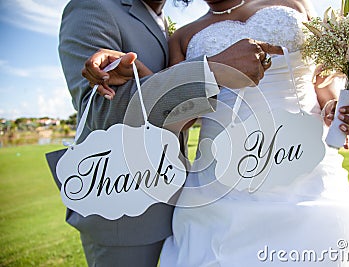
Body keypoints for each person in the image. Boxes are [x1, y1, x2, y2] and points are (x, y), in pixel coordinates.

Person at [154, 0, 349, 266]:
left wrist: (333, 106)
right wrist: (214, 70)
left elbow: (320, 79)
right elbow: (180, 118)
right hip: (223, 181)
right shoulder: (182, 36)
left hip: (303, 161)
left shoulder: (293, 4)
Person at [58, 0, 280, 266]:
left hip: (187, 202)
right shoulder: (93, 8)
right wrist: (213, 69)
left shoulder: (163, 23)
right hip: (125, 217)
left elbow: (173, 110)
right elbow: (101, 113)